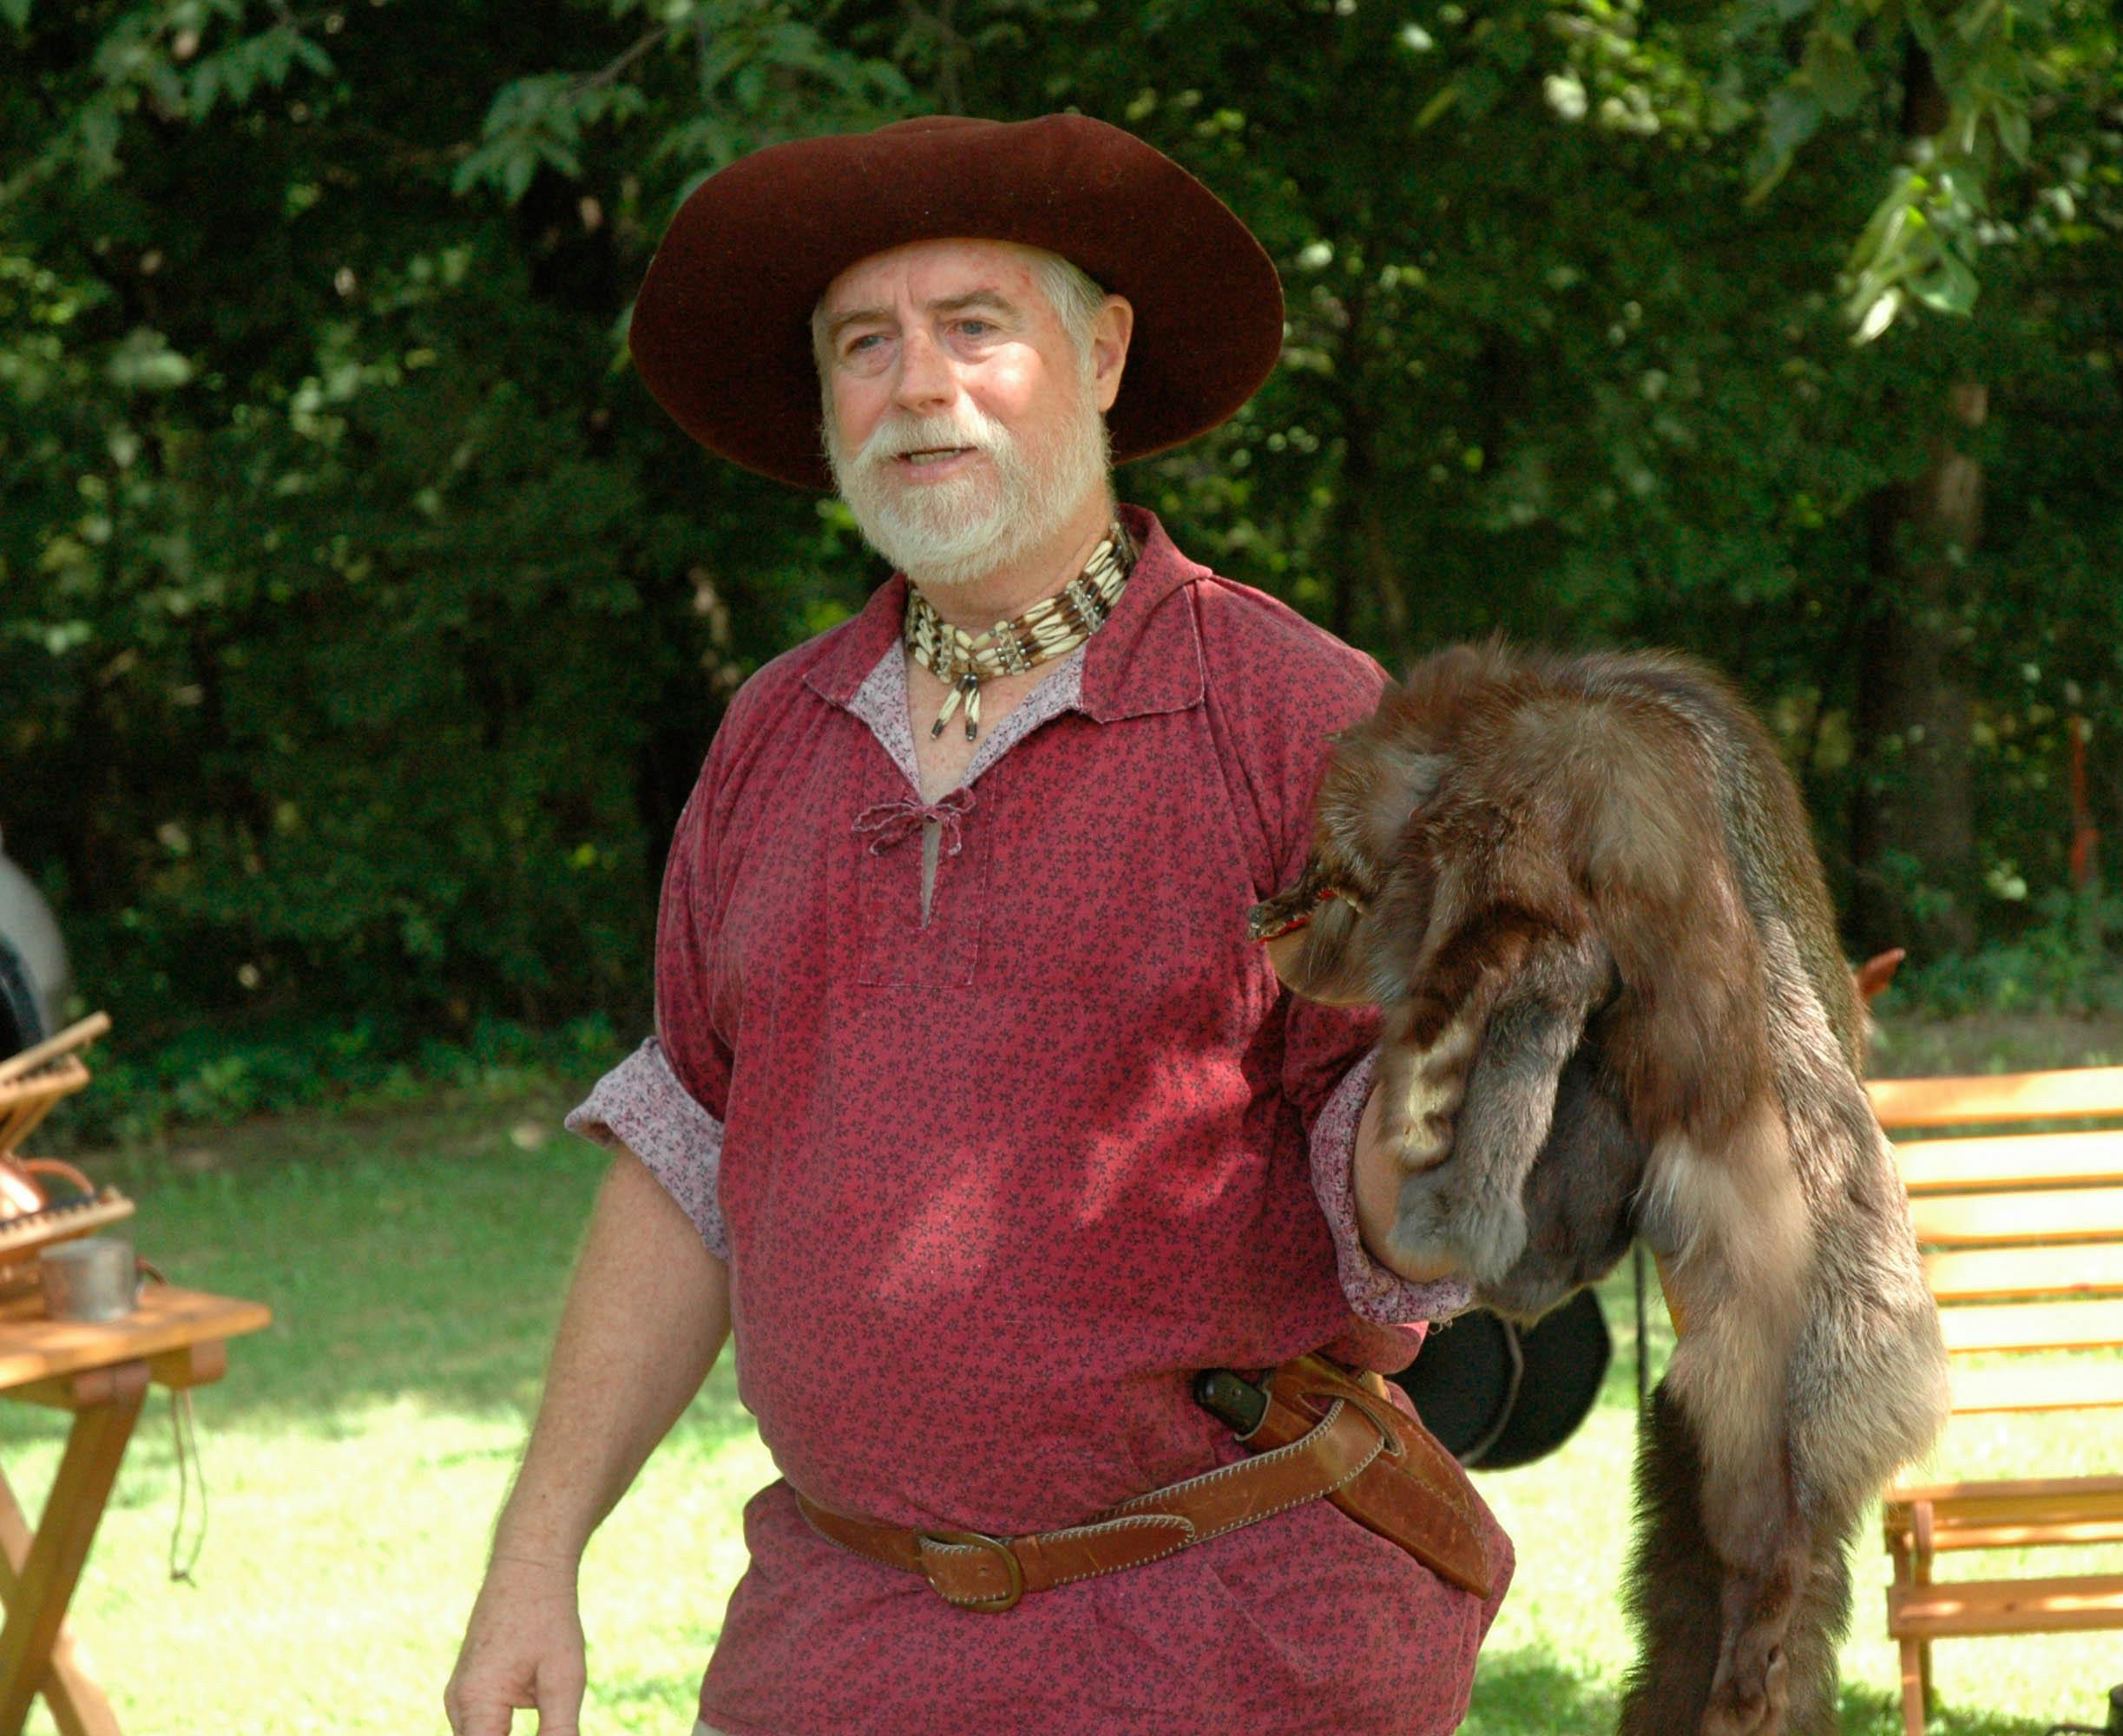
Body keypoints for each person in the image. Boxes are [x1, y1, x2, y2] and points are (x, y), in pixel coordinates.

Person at [442, 113, 1515, 1736]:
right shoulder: (776, 736)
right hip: (848, 1643)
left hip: (1230, 1637)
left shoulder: (1298, 721)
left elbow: (1407, 1181)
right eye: (864, 344)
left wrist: (1498, 1079)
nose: (917, 384)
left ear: (1099, 354)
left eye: (975, 329)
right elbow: (687, 1152)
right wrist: (535, 1554)